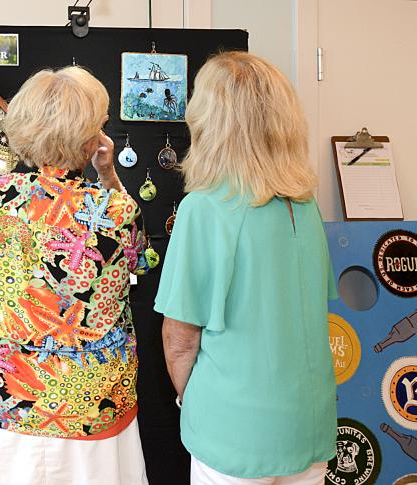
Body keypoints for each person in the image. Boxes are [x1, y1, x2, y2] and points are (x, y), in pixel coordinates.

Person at [0, 66, 150, 485]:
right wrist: (108, 174)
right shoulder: (116, 210)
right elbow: (142, 262)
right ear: (91, 137)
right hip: (91, 414)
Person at [155, 51, 338, 484]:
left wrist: (192, 400)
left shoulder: (203, 208)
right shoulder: (305, 204)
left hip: (231, 431)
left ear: (209, 118)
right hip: (308, 424)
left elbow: (179, 339)